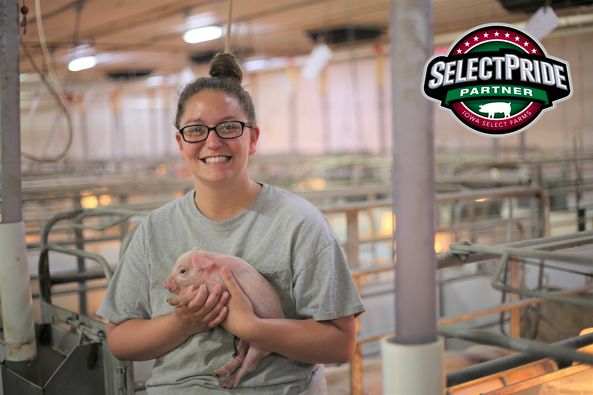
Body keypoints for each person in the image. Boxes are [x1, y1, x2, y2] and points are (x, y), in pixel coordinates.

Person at [97, 52, 365, 395]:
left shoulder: (299, 223)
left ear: (252, 138)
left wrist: (251, 328)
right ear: (180, 143)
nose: (212, 141)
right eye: (196, 130)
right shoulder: (154, 230)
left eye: (228, 127)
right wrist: (183, 323)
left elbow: (340, 344)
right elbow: (119, 339)